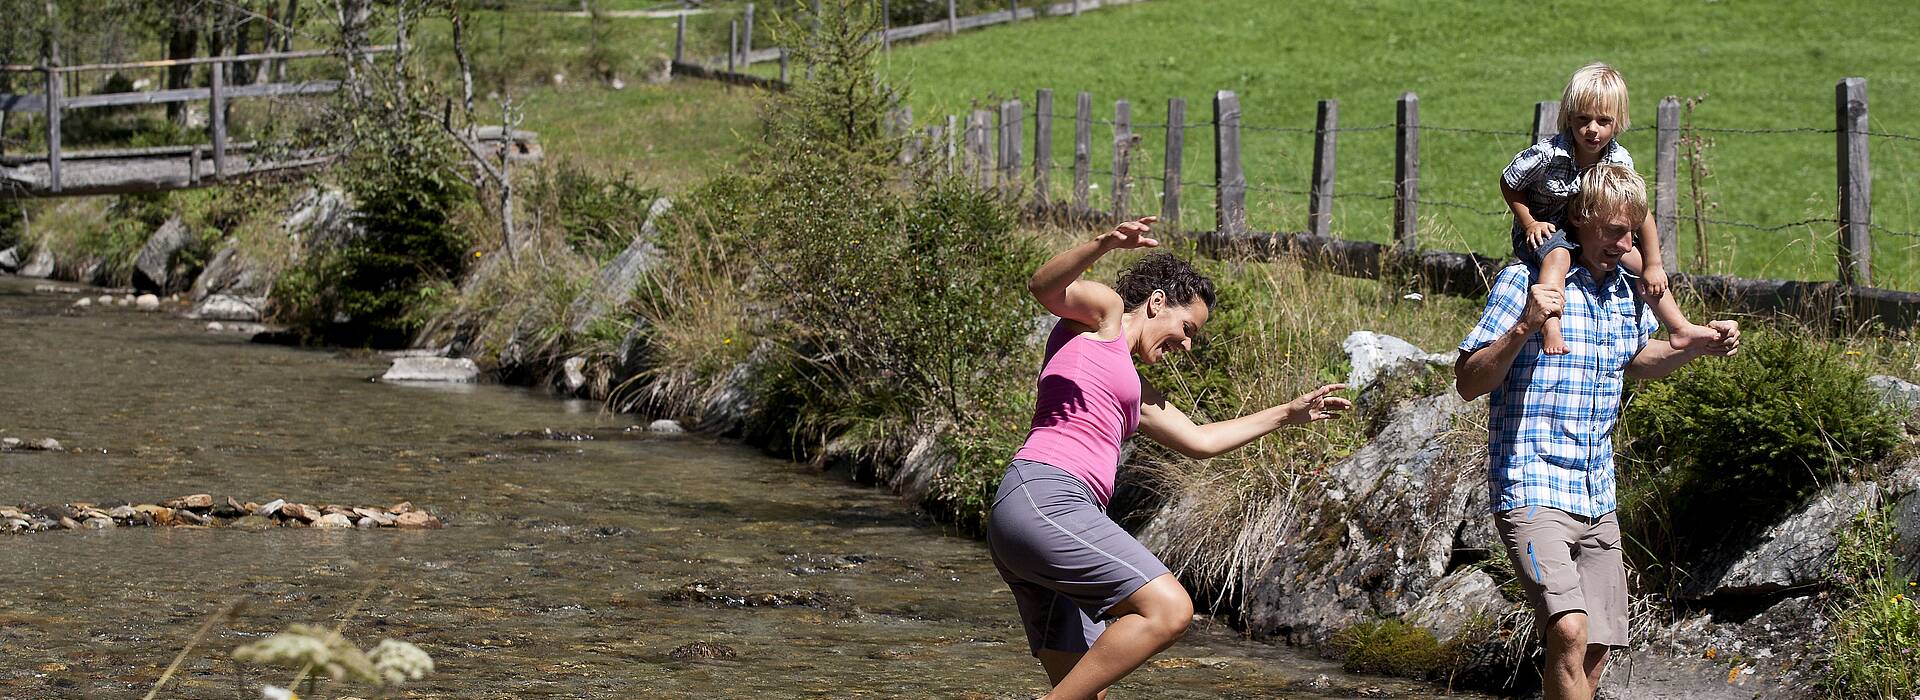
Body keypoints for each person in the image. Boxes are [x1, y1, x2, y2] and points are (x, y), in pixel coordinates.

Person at [988, 215, 1350, 700]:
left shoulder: (1132, 388)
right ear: (1156, 302)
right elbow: (1043, 286)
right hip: (1047, 496)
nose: (1187, 342)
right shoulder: (1106, 316)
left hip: (1040, 518)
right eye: (1186, 327)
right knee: (1169, 610)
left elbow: (1199, 440)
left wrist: (1288, 412)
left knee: (1083, 693)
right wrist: (1106, 243)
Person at [1456, 164, 1741, 700]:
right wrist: (1524, 326)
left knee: (1596, 647)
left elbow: (1636, 359)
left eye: (1632, 232)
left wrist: (1696, 343)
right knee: (1567, 628)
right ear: (1581, 220)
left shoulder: (1626, 290)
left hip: (1596, 491)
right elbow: (1470, 382)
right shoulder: (1525, 281)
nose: (1625, 243)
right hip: (1530, 486)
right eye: (1614, 231)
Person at [1501, 62, 1718, 355]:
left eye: (1603, 121)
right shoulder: (1548, 154)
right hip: (1546, 233)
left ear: (1618, 121)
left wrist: (1654, 264)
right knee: (1558, 254)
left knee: (1637, 260)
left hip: (1592, 234)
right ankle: (1551, 325)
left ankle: (1679, 327)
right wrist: (1529, 223)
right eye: (1583, 119)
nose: (1592, 130)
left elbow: (1639, 213)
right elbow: (1509, 181)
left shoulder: (1619, 160)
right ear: (1568, 116)